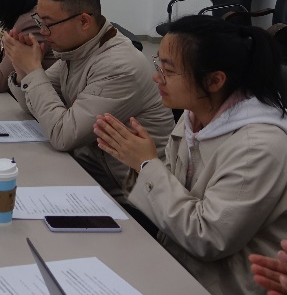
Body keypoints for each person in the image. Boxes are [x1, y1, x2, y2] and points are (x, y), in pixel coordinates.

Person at [94, 15, 287, 295]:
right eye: (158, 64)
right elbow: (174, 198)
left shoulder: (258, 148)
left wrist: (146, 164)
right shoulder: (195, 115)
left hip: (220, 285)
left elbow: (208, 238)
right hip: (175, 262)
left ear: (214, 81)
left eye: (168, 71)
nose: (156, 77)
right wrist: (138, 165)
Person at [5, 0, 174, 203]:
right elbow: (31, 106)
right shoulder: (78, 50)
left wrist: (33, 70)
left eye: (49, 24)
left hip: (132, 200)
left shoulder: (119, 67)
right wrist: (22, 69)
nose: (42, 32)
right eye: (39, 21)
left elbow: (63, 135)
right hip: (89, 174)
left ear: (84, 21)